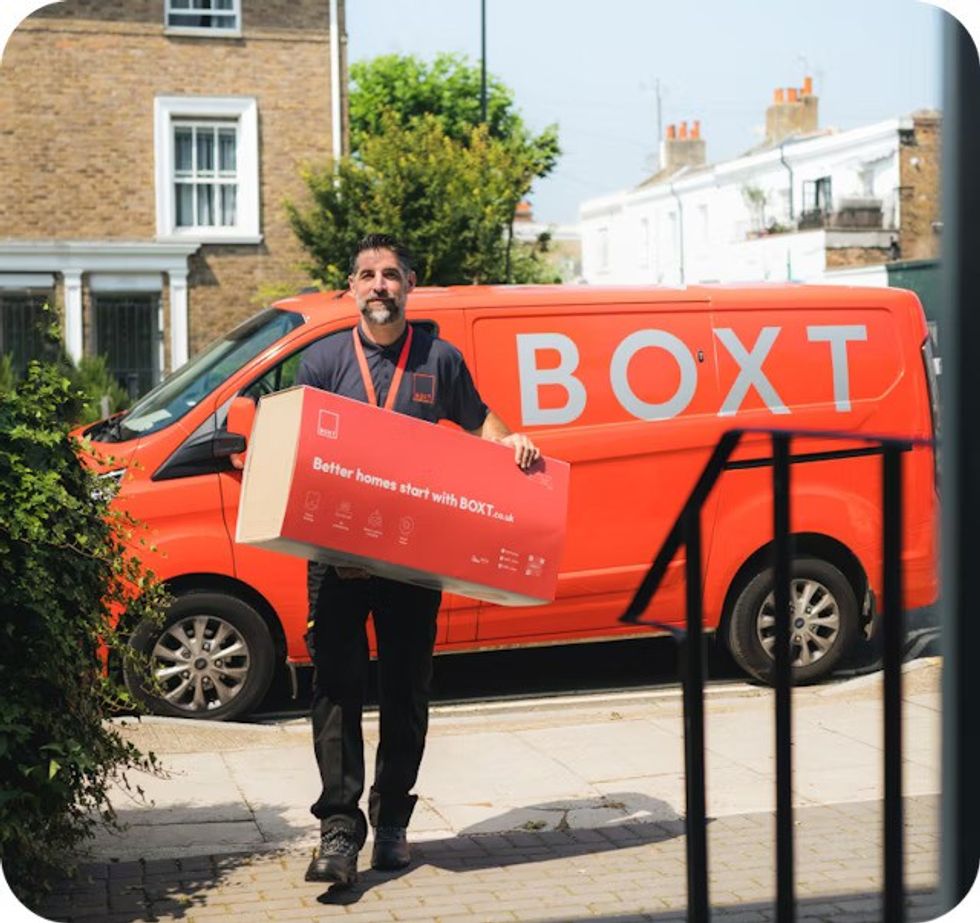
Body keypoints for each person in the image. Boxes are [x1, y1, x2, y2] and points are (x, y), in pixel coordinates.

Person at [296, 233, 539, 886]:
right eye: (367, 274)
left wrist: (511, 442)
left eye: (391, 274)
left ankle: (392, 822)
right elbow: (305, 460)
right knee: (336, 691)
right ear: (352, 288)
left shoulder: (440, 358)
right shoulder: (322, 361)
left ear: (409, 285)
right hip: (337, 560)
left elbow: (480, 422)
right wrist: (334, 550)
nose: (379, 284)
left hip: (412, 557)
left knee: (406, 692)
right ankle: (339, 831)